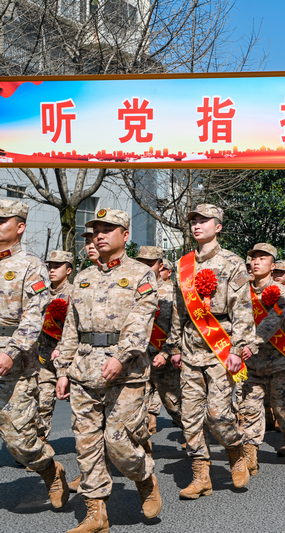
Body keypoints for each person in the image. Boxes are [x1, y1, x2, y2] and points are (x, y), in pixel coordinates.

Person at [55, 208, 161, 530]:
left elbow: (142, 321)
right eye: (96, 230)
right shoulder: (83, 277)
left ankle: (145, 478)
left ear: (125, 235)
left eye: (108, 229)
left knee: (117, 443)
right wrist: (63, 369)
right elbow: (71, 327)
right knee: (86, 445)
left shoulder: (142, 274)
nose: (99, 235)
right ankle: (96, 514)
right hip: (84, 371)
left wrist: (121, 355)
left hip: (126, 373)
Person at [168, 204, 257, 499]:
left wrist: (238, 348)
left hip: (221, 347)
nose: (197, 225)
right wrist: (175, 346)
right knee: (190, 416)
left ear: (218, 226)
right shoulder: (183, 265)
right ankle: (201, 476)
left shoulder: (232, 263)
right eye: (193, 220)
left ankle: (235, 451)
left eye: (203, 220)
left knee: (218, 414)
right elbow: (178, 310)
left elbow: (242, 309)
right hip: (190, 348)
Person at [0, 200, 69, 512]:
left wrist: (11, 352)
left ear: (20, 227)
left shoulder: (31, 266)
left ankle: (50, 471)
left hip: (13, 363)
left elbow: (33, 317)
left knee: (20, 442)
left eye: (3, 221)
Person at [243, 243, 285, 469]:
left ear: (273, 265)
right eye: (253, 258)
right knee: (250, 409)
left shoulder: (281, 291)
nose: (256, 262)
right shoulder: (242, 290)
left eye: (263, 258)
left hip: (277, 360)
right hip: (251, 363)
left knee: (282, 410)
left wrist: (252, 342)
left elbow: (273, 321)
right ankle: (250, 454)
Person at [134, 246, 183, 440]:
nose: (145, 267)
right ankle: (142, 449)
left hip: (164, 361)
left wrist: (166, 353)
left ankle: (195, 438)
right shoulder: (132, 290)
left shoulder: (171, 292)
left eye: (150, 263)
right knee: (136, 409)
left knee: (175, 406)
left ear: (160, 266)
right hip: (138, 360)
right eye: (141, 263)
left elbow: (177, 326)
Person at [37, 250, 73, 443]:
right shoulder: (40, 293)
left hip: (70, 360)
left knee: (82, 409)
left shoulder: (75, 293)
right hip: (44, 358)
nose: (52, 270)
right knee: (41, 404)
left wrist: (62, 348)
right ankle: (40, 447)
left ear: (68, 270)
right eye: (50, 266)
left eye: (57, 266)